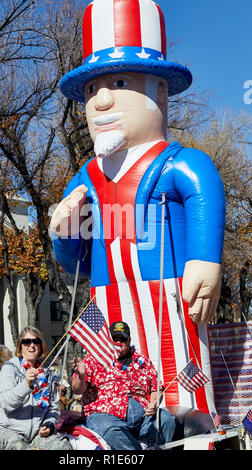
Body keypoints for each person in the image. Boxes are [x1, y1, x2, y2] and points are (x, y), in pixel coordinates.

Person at [50, 0, 225, 415]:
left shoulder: (177, 161)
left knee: (178, 362)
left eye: (121, 82)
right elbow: (74, 262)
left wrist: (204, 258)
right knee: (108, 368)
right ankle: (107, 418)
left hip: (169, 289)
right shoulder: (86, 178)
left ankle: (191, 416)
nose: (102, 101)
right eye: (92, 90)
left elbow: (204, 191)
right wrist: (64, 233)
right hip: (105, 293)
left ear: (159, 90)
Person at [72, 321, 175, 450]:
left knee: (165, 419)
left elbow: (156, 388)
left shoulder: (143, 361)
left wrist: (154, 403)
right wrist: (81, 376)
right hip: (104, 416)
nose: (118, 343)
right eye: (114, 338)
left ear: (129, 340)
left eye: (123, 339)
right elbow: (77, 389)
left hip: (143, 419)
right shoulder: (95, 359)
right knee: (112, 429)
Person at [0, 326, 71, 450]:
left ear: (41, 346)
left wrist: (49, 423)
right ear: (20, 346)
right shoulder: (10, 368)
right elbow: (5, 403)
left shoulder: (47, 373)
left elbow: (53, 408)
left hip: (37, 435)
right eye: (27, 342)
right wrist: (26, 385)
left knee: (62, 446)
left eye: (36, 341)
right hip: (8, 431)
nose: (32, 345)